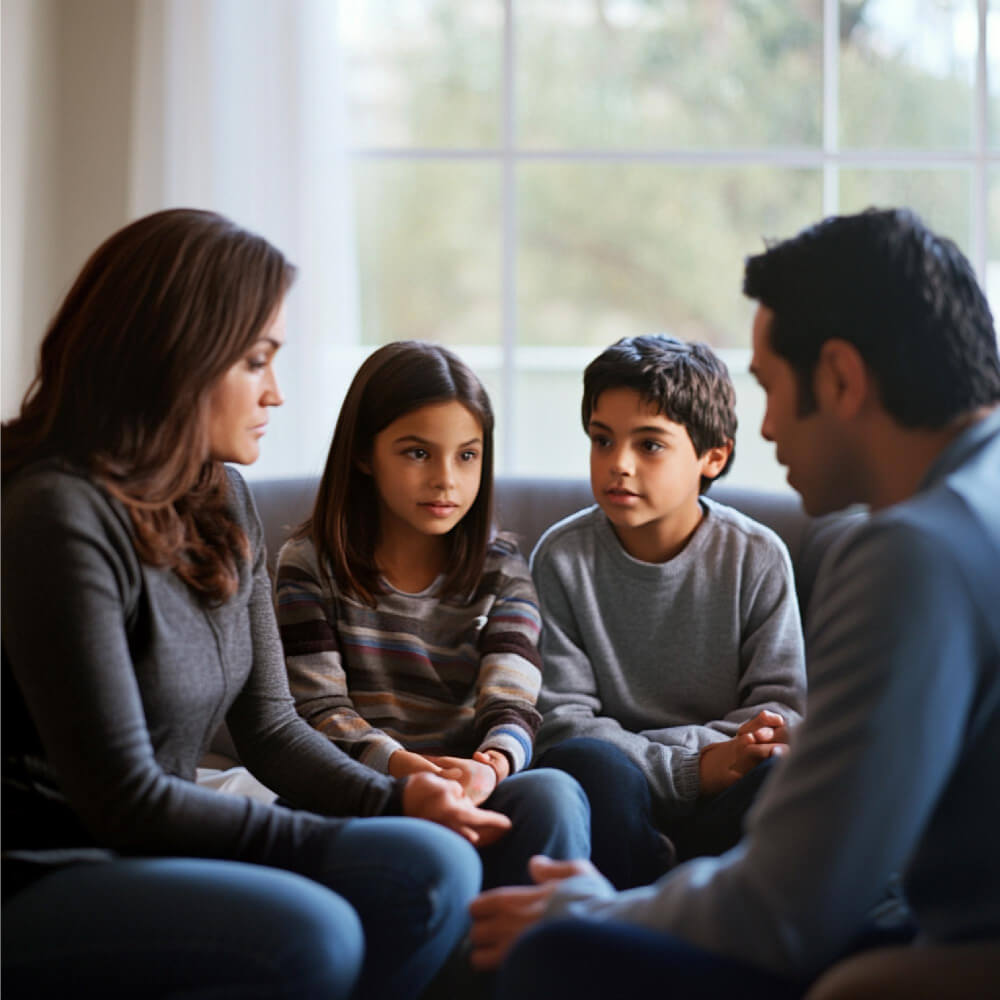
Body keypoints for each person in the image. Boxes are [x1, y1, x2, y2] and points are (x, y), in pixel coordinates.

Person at [468, 207, 1000, 997]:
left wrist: (596, 910)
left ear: (842, 379)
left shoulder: (913, 552)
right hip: (916, 915)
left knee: (556, 952)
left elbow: (791, 905)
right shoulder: (977, 499)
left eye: (769, 388)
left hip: (936, 936)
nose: (771, 427)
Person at [1, 209, 512, 1000]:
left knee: (436, 861)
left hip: (150, 848)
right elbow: (123, 802)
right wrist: (337, 838)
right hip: (46, 867)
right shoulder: (55, 512)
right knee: (318, 931)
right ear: (178, 355)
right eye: (255, 360)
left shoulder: (221, 495)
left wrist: (399, 796)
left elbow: (270, 728)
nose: (275, 392)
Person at [275, 340, 591, 891]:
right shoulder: (307, 566)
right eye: (417, 453)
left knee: (556, 793)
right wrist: (406, 770)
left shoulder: (502, 570)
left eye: (467, 455)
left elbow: (512, 701)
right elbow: (318, 709)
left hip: (474, 778)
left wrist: (489, 766)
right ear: (364, 455)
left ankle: (539, 954)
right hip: (362, 784)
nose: (447, 479)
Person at [530, 334, 806, 888]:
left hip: (728, 792)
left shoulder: (757, 555)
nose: (619, 465)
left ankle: (695, 903)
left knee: (781, 770)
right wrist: (691, 769)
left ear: (713, 457)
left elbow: (779, 712)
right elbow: (561, 724)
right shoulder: (562, 559)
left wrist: (722, 768)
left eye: (649, 445)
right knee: (588, 763)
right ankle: (628, 921)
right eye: (602, 441)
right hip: (615, 795)